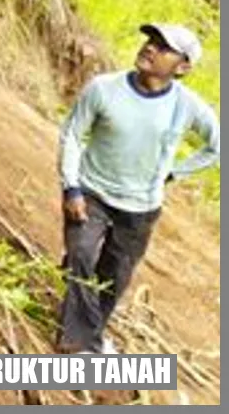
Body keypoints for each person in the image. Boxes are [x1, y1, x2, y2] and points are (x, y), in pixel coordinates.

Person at [56, 23, 220, 355]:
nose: (150, 48)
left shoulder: (187, 106)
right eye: (150, 40)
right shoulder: (103, 88)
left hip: (141, 207)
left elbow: (216, 146)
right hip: (91, 192)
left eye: (163, 47)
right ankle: (79, 342)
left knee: (114, 276)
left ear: (183, 66)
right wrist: (71, 187)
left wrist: (172, 173)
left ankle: (90, 330)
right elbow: (72, 135)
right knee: (81, 254)